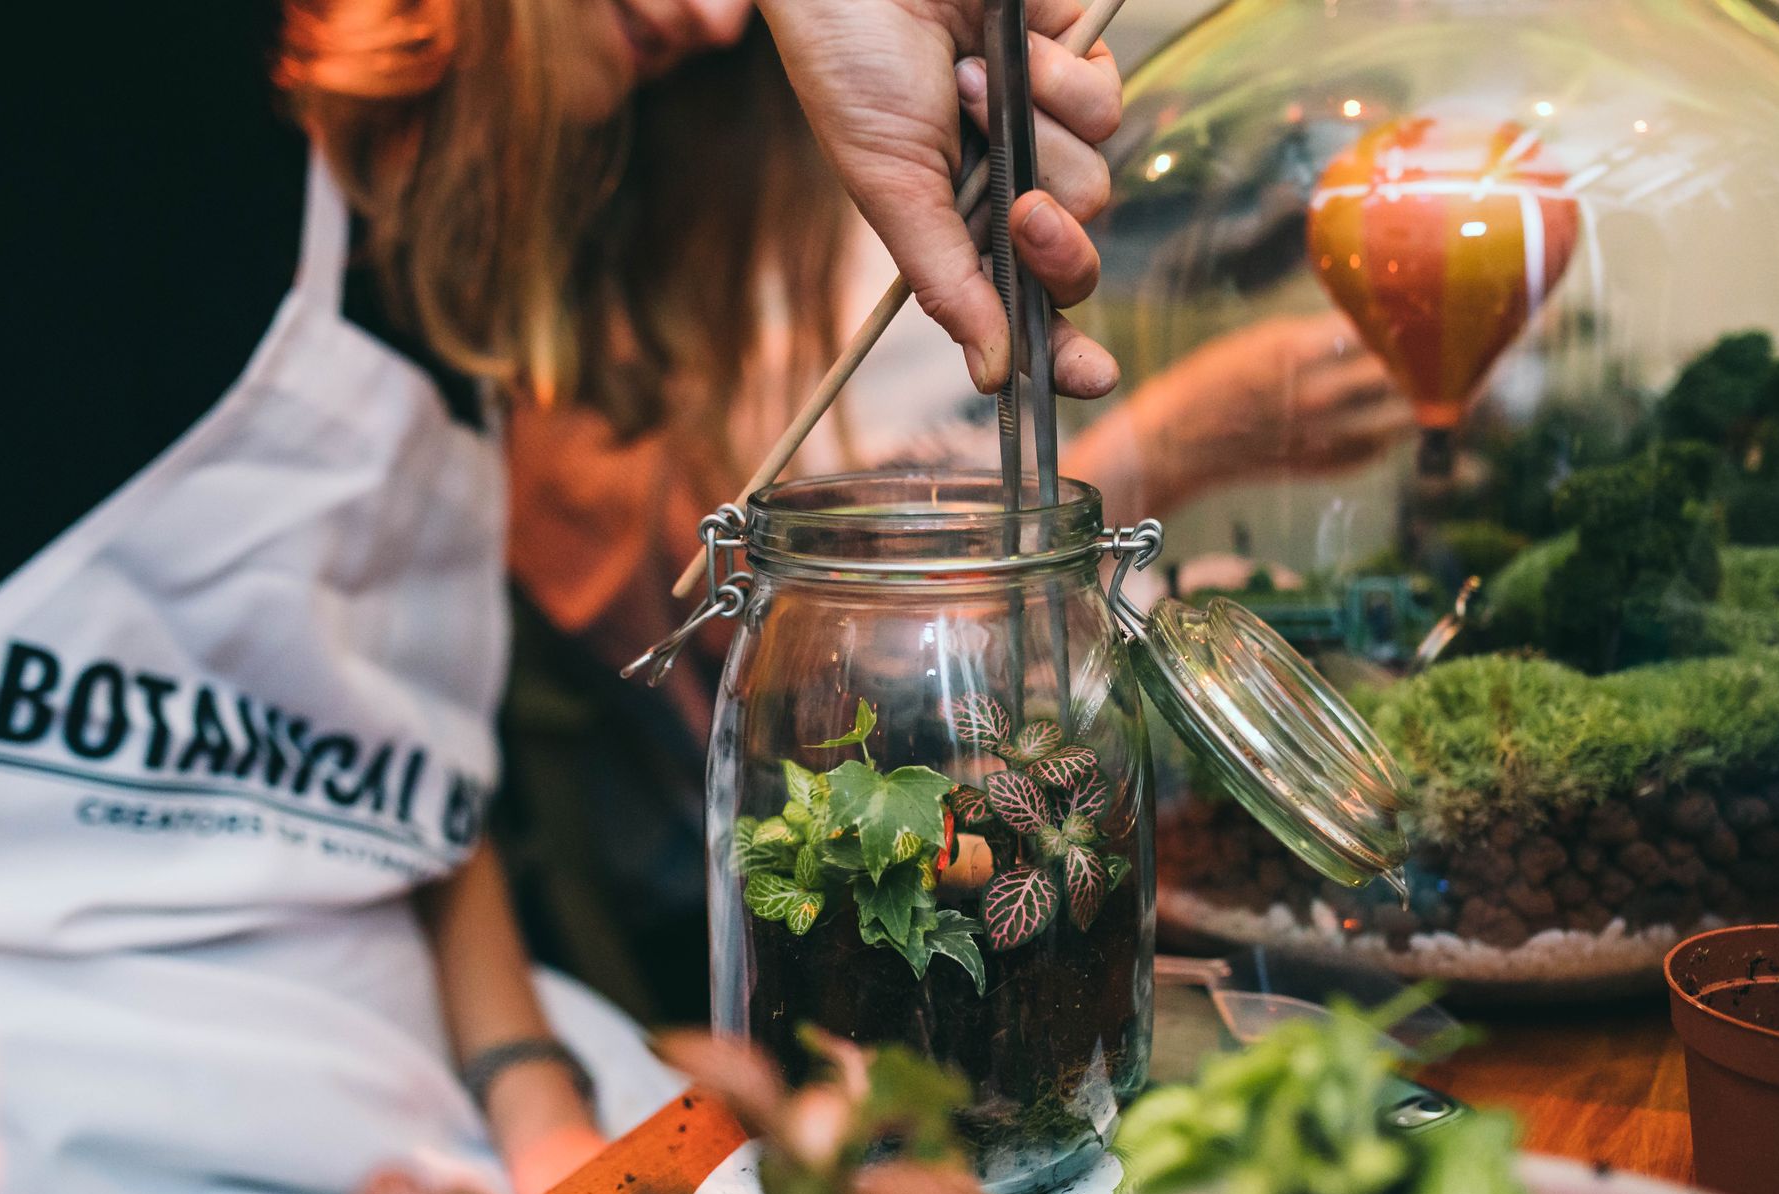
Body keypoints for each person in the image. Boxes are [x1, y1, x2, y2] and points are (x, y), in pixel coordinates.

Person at [0, 0, 1122, 1194]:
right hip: (10, 1136)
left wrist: (533, 1096)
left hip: (417, 1077)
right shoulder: (88, 108)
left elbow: (398, 783)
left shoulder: (438, 286)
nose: (708, 19)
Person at [501, 10, 1411, 1018]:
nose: (721, 17)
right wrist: (1164, 444)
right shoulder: (576, 245)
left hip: (1071, 809)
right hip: (830, 931)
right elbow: (821, 636)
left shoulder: (783, 136)